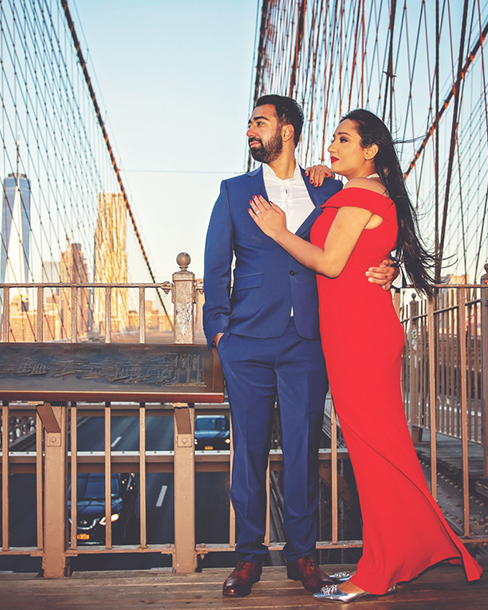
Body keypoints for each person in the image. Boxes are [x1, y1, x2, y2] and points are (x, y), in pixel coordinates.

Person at [249, 108, 483, 602]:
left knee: (374, 455)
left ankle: (378, 570)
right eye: (331, 139)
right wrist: (325, 176)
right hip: (357, 331)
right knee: (378, 452)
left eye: (343, 139)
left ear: (371, 149)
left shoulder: (359, 195)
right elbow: (359, 252)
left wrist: (278, 230)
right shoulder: (361, 192)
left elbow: (331, 264)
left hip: (359, 336)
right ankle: (394, 557)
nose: (331, 147)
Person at [203, 96, 396, 598]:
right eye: (248, 122)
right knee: (247, 453)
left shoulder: (329, 187)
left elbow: (364, 238)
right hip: (245, 340)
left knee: (303, 452)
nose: (250, 130)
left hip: (309, 341)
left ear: (286, 131)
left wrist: (387, 269)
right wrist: (219, 331)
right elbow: (215, 265)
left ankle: (302, 556)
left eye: (259, 122)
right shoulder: (233, 191)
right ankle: (248, 557)